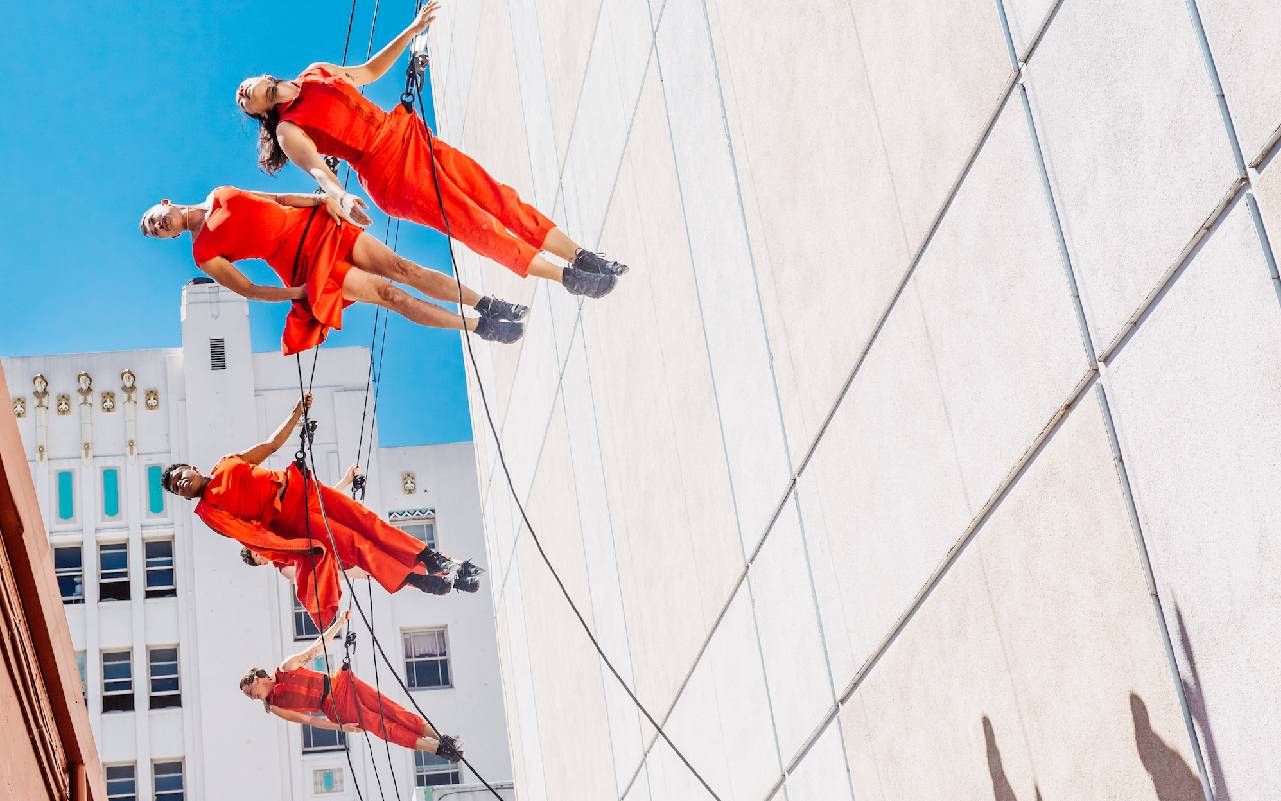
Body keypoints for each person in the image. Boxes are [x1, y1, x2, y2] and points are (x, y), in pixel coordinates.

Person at [234, 1, 627, 300]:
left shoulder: (317, 71)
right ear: (262, 112)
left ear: (265, 78)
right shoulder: (288, 129)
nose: (244, 95)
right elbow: (320, 171)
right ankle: (566, 278)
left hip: (409, 137)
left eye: (247, 89)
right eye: (246, 102)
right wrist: (341, 196)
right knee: (476, 224)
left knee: (497, 197)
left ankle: (580, 256)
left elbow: (369, 71)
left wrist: (412, 28)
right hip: (390, 173)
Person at [161, 394, 484, 627]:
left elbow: (271, 445)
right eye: (177, 488)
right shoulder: (210, 511)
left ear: (191, 467)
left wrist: (296, 415)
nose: (180, 483)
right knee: (356, 545)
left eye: (179, 476)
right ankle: (419, 579)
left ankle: (432, 559)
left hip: (301, 488)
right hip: (292, 521)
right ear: (185, 497)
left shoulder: (228, 462)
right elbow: (255, 537)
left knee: (365, 520)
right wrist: (291, 550)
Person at [139, 186, 526, 355]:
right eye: (157, 232)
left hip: (319, 226)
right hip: (306, 265)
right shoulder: (203, 252)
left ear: (166, 204)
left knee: (401, 267)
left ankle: (487, 303)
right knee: (390, 294)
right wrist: (300, 294)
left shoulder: (219, 193)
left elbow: (276, 198)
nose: (161, 226)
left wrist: (326, 198)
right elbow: (250, 290)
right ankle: (479, 327)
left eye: (157, 219)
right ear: (169, 238)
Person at [241, 609, 464, 759]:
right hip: (333, 706)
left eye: (251, 692)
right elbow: (310, 720)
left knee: (391, 709)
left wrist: (339, 622)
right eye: (250, 697)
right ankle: (436, 749)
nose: (253, 697)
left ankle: (442, 738)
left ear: (258, 679)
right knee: (381, 725)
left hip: (341, 683)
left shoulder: (285, 667)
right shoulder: (276, 706)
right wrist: (342, 727)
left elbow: (317, 648)